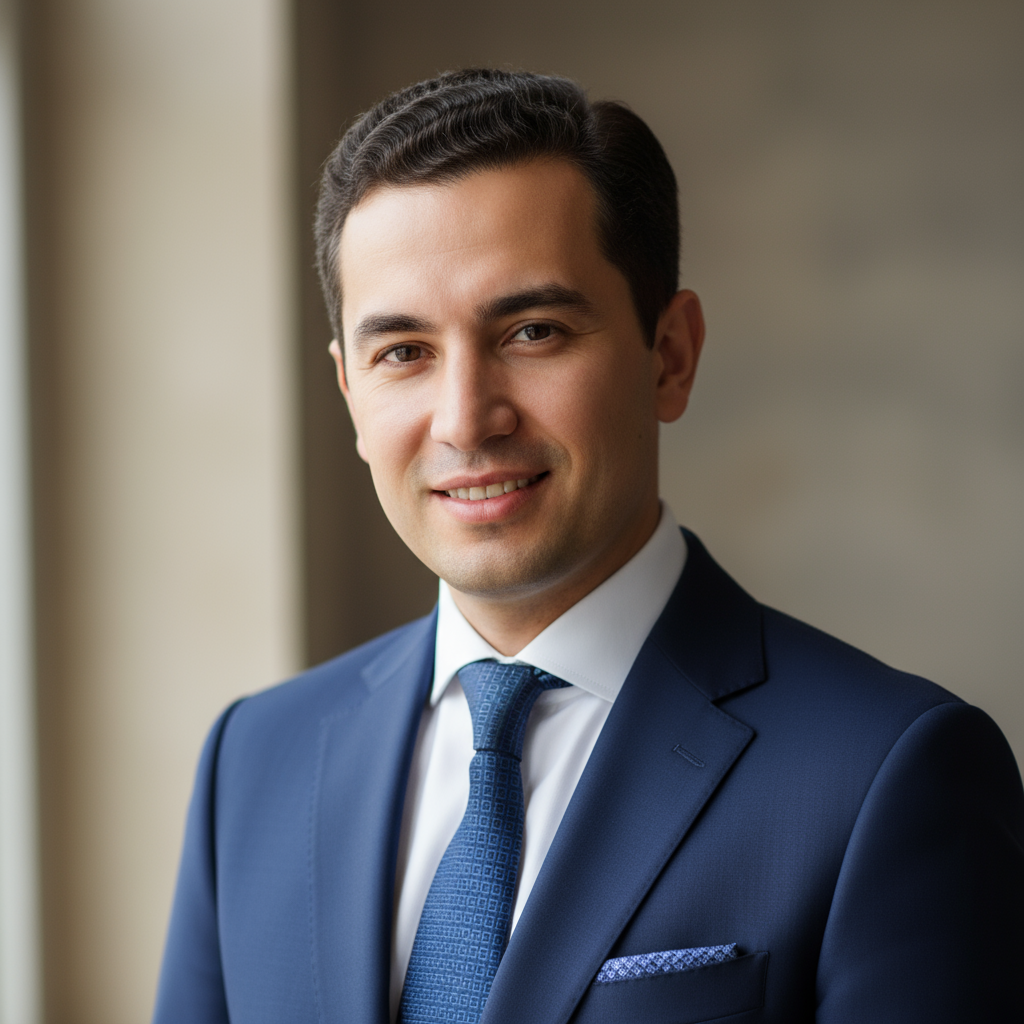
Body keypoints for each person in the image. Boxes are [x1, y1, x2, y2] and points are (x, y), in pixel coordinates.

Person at [153, 69, 1023, 1024]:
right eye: (403, 352)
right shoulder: (254, 762)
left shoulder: (889, 775)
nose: (465, 420)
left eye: (533, 332)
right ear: (350, 393)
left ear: (670, 356)